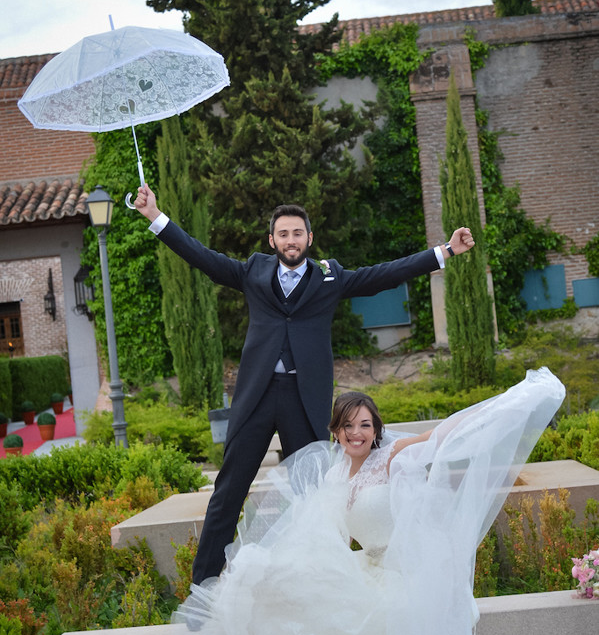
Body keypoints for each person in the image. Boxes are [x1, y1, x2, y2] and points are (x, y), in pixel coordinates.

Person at [171, 367, 565, 635]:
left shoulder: (393, 457)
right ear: (336, 431)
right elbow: (321, 535)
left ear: (375, 429)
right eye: (348, 425)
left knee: (386, 625)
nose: (357, 433)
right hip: (368, 567)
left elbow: (444, 434)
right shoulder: (335, 474)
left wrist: (517, 398)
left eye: (365, 424)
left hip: (404, 574)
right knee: (291, 604)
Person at [134, 184, 475, 585]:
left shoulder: (330, 277)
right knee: (228, 492)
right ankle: (204, 585)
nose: (290, 240)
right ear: (272, 240)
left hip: (304, 399)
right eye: (283, 233)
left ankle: (316, 583)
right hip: (256, 397)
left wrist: (445, 251)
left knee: (312, 497)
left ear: (309, 238)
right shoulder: (252, 271)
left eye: (298, 233)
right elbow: (202, 257)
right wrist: (154, 216)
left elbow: (384, 274)